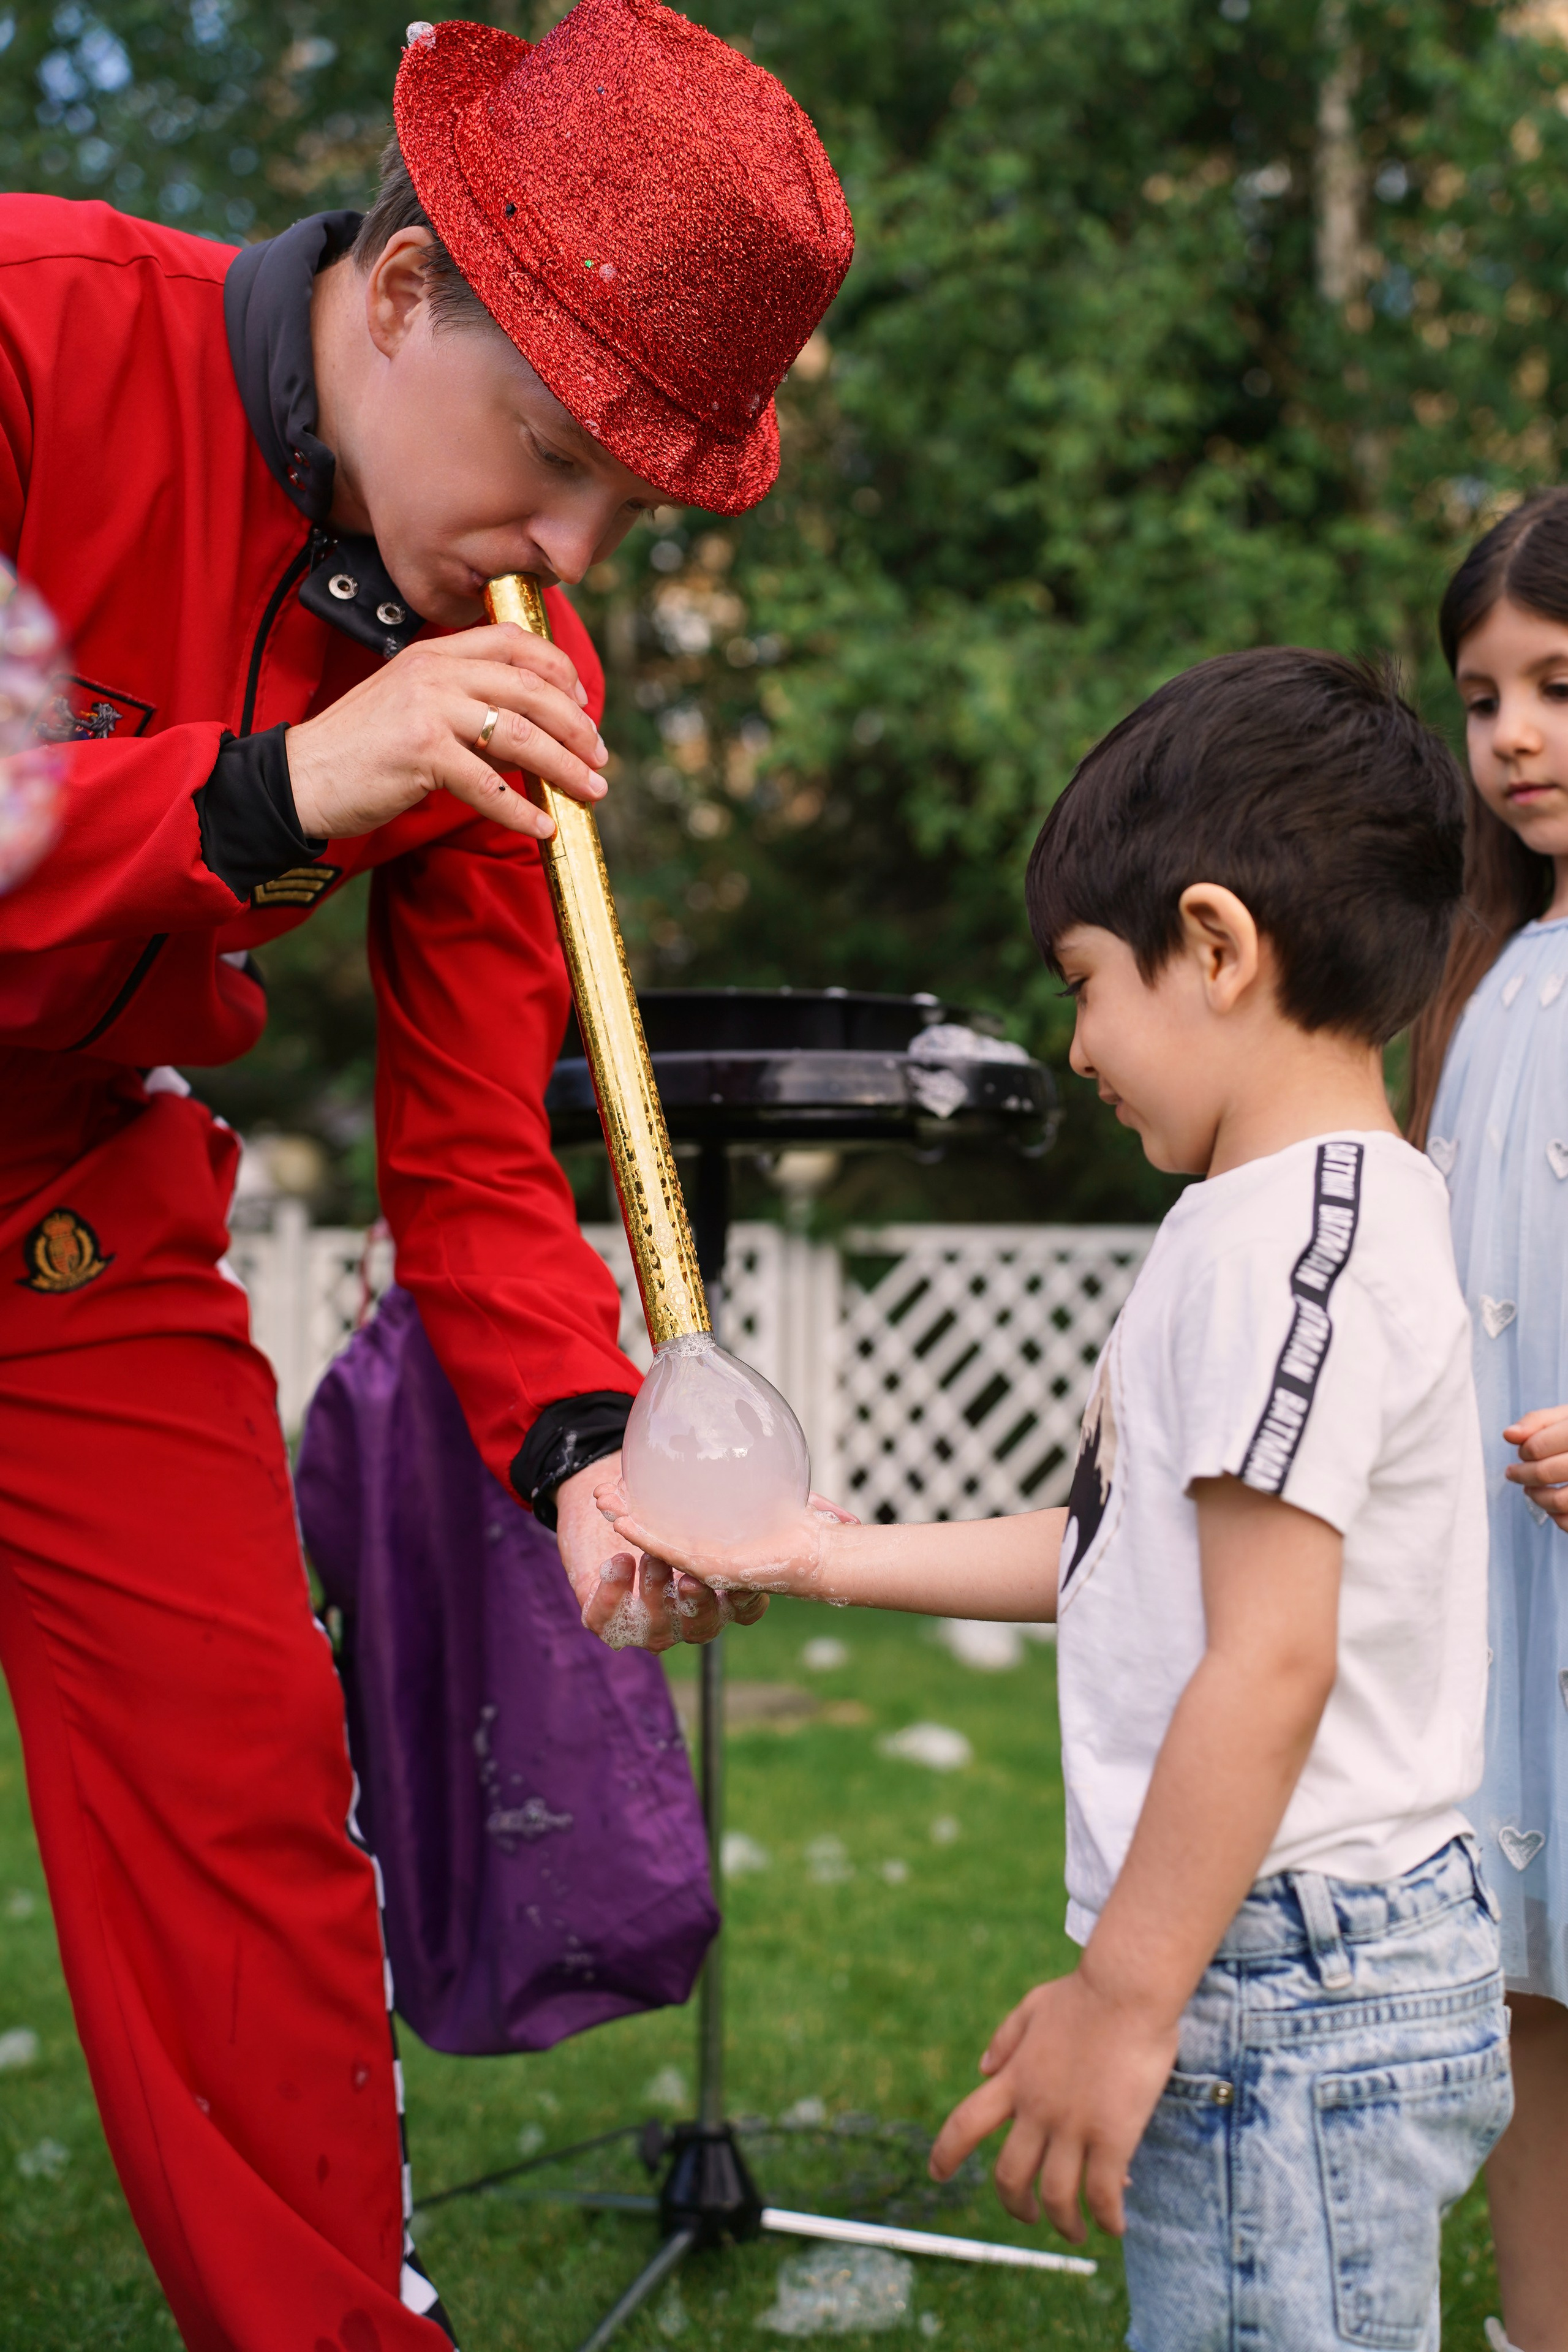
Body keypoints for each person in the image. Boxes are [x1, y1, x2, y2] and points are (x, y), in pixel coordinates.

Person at [0, 4, 850, 2344]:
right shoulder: (30, 333)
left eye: (625, 516)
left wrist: (585, 1449)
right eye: (557, 458)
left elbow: (474, 1150)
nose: (567, 558)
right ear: (393, 296)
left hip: (66, 1214)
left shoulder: (505, 641)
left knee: (256, 1807)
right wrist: (268, 792)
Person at [605, 647, 1511, 2350]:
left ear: (1219, 946)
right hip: (1281, 1953)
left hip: (1292, 1976)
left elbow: (1270, 1664)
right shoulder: (1272, 1222)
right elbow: (1117, 1555)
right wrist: (812, 1553)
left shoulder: (1287, 1253)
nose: (1077, 1038)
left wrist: (1131, 1993)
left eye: (1088, 982)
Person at [1408, 488, 1568, 2352]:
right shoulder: (1481, 976)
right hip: (1512, 1596)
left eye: (1557, 683)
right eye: (1481, 695)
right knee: (1535, 1999)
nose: (1514, 734)